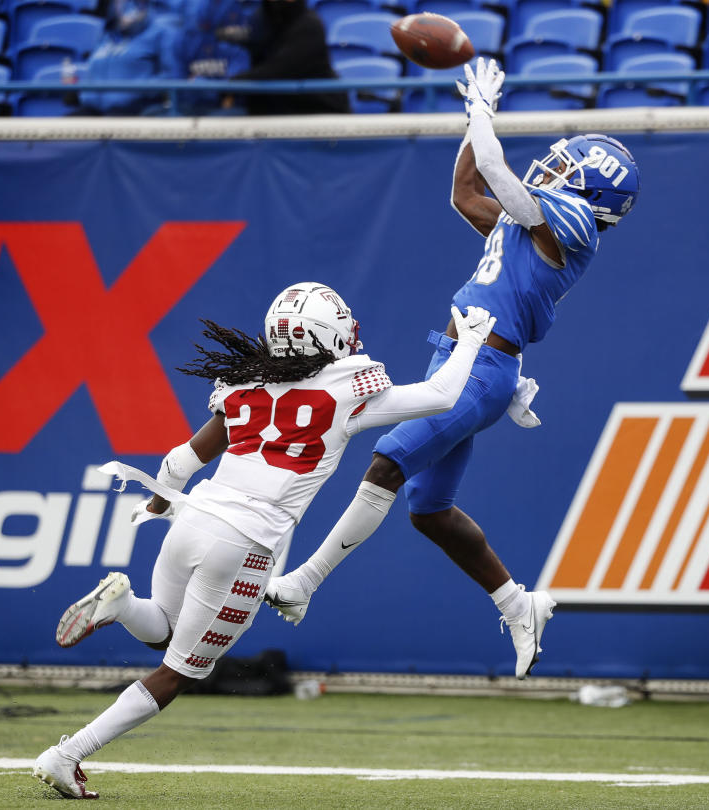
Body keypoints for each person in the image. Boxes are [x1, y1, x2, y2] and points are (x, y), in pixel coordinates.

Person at [32, 282, 495, 799]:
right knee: (177, 673)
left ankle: (120, 607)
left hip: (193, 518)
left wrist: (159, 506)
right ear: (331, 334)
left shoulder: (246, 383)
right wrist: (472, 340)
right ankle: (66, 754)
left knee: (163, 630)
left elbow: (178, 463)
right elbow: (441, 395)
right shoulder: (348, 390)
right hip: (244, 543)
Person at [264, 58, 642, 680]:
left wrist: (483, 113)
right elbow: (466, 191)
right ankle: (519, 603)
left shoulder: (572, 228)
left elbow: (497, 170)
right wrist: (475, 124)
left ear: (593, 193)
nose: (558, 166)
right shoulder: (530, 224)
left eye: (573, 168)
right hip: (460, 359)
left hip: (482, 369)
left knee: (384, 460)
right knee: (428, 509)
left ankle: (304, 581)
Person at [221, 0, 349, 115]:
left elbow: (280, 69)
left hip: (323, 110)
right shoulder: (264, 21)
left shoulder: (310, 25)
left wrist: (236, 82)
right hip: (281, 112)